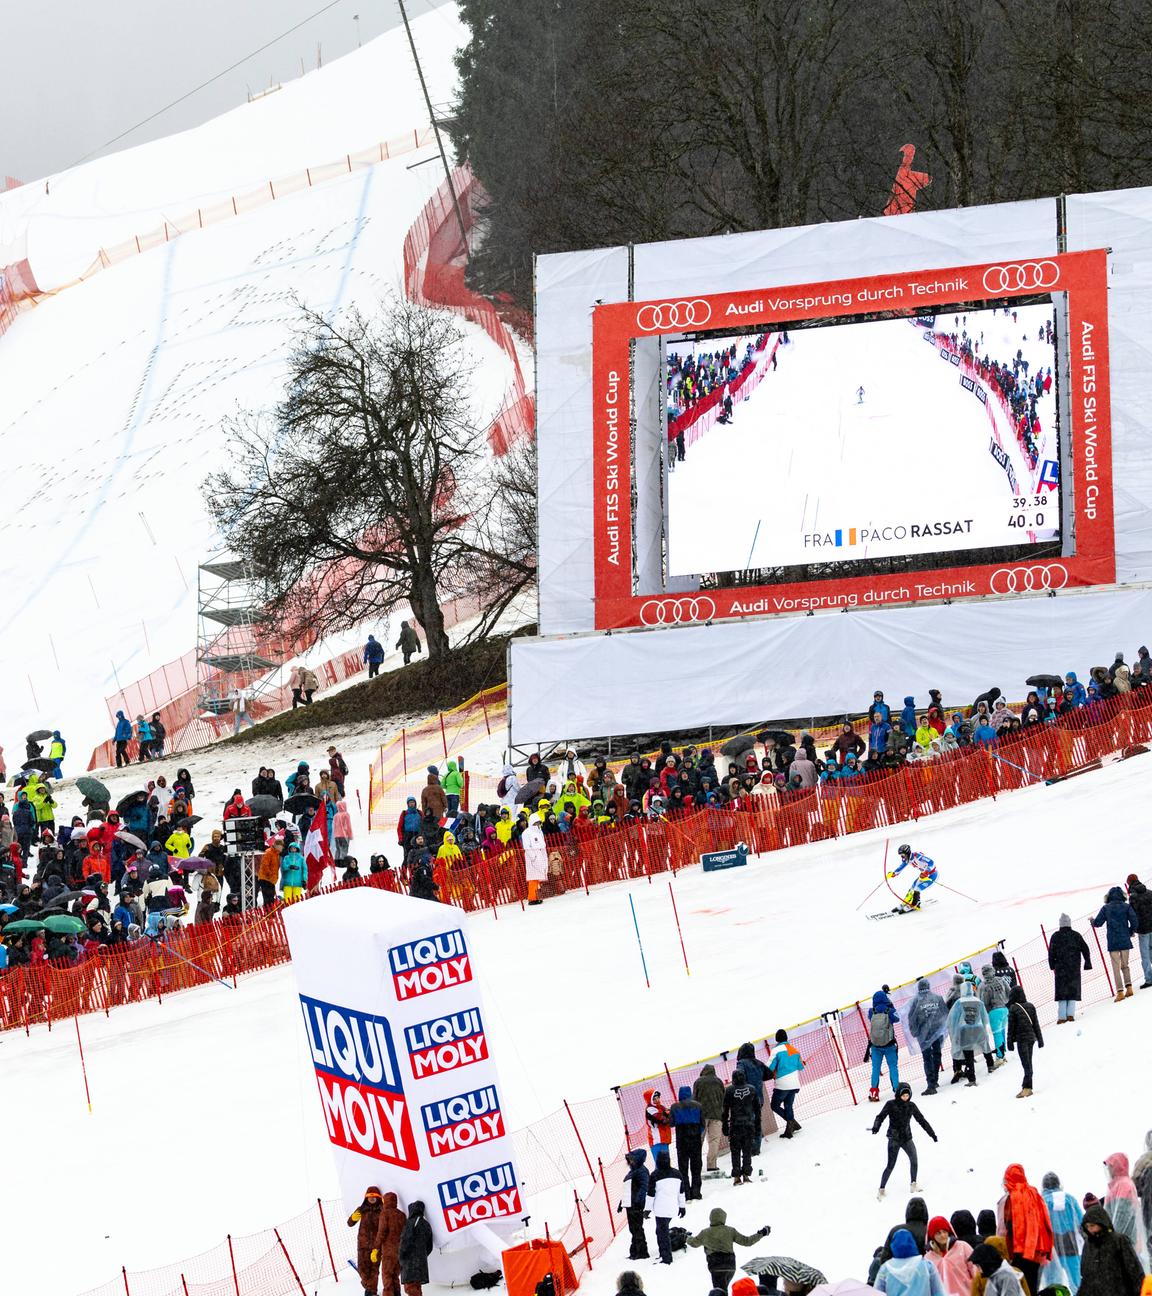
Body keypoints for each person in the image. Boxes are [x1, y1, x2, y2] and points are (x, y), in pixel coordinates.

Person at [871, 1081, 936, 1199]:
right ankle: (881, 1189)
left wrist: (932, 1134)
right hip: (894, 1138)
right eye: (903, 1095)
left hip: (907, 1138)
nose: (905, 1098)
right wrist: (876, 1126)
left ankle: (913, 1183)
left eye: (907, 1095)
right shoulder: (890, 1104)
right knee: (890, 1165)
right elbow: (880, 1116)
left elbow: (922, 1120)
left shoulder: (911, 1106)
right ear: (898, 1095)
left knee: (914, 1160)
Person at [998, 1163, 1054, 1295]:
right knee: (1031, 1287)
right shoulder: (1034, 1194)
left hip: (1017, 1252)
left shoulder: (1011, 1198)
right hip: (1035, 1251)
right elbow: (1043, 1220)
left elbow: (1005, 1227)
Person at [686, 1207, 769, 1294]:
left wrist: (687, 1237)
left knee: (719, 1291)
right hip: (730, 1266)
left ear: (711, 1218)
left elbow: (693, 1243)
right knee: (722, 1290)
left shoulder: (705, 1232)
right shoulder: (730, 1231)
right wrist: (762, 1233)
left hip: (716, 1266)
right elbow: (747, 1241)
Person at [1078, 1202, 1145, 1294]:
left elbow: (1134, 1271)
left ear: (1101, 1222)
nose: (1090, 1229)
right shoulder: (1088, 1244)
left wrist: (1140, 1292)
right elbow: (1086, 1275)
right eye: (1087, 1227)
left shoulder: (1119, 1240)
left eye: (1092, 1226)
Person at [1091, 885, 1139, 1000]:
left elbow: (1098, 923)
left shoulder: (1106, 908)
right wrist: (1130, 932)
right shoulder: (1126, 907)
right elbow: (1134, 921)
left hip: (1113, 941)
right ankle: (1129, 987)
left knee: (1116, 967)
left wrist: (1092, 921)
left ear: (1109, 897)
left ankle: (1120, 992)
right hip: (1125, 939)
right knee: (1125, 965)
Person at [946, 980, 996, 1085]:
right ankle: (990, 1065)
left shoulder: (959, 1002)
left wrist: (954, 1032)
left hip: (965, 1031)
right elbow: (985, 1018)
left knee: (968, 1054)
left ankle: (972, 1079)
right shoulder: (978, 1001)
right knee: (985, 1046)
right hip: (979, 1028)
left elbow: (952, 1020)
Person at [1041, 1171, 1084, 1290]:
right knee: (1076, 1282)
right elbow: (1082, 1222)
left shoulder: (1042, 1201)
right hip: (1071, 1246)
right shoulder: (1070, 1199)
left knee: (1052, 1284)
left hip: (1051, 1248)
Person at [907, 977, 949, 1095]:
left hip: (923, 1035)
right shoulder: (938, 998)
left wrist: (915, 1032)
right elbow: (944, 1014)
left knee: (927, 1058)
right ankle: (935, 1079)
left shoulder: (915, 1001)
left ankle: (931, 1084)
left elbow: (912, 1019)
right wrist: (942, 1029)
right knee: (937, 1054)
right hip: (937, 1032)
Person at [1103, 1151, 1147, 1261]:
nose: (1108, 1169)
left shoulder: (1124, 1184)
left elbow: (1123, 1217)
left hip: (1124, 1240)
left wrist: (1113, 1239)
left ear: (1118, 1166)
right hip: (1117, 1239)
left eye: (1111, 1166)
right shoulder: (1115, 1186)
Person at [1048, 913, 1092, 1021]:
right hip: (1074, 968)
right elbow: (1085, 949)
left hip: (1060, 969)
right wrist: (1087, 962)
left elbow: (1051, 952)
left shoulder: (1055, 936)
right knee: (1073, 990)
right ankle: (1070, 1015)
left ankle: (1062, 1017)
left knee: (1061, 992)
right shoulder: (1076, 935)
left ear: (1060, 924)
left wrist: (1052, 964)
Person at [873, 1228, 944, 1294]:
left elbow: (876, 1293)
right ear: (913, 1243)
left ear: (893, 1246)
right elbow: (939, 1292)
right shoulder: (927, 1266)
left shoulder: (885, 1268)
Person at [647, 1149, 686, 1264]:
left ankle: (666, 1258)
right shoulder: (677, 1174)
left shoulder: (655, 1175)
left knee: (661, 1233)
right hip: (673, 1208)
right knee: (662, 1231)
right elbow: (681, 1192)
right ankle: (665, 1253)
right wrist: (682, 1207)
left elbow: (650, 1194)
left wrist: (647, 1209)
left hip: (660, 1210)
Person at [722, 1067, 760, 1184]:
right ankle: (746, 1175)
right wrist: (758, 1125)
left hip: (736, 1125)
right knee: (747, 1150)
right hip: (749, 1124)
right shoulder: (752, 1089)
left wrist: (725, 1126)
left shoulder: (729, 1091)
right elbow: (757, 1109)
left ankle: (737, 1177)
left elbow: (725, 1110)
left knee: (735, 1151)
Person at [1005, 985, 1043, 1097]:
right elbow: (1036, 1024)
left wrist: (1009, 1042)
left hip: (1022, 1040)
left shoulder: (1013, 1008)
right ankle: (1026, 1086)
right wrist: (1040, 1039)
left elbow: (1011, 1028)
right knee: (1028, 1063)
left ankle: (1027, 1088)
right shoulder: (1031, 1006)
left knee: (1026, 1064)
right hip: (1031, 1039)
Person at [766, 1028, 804, 1137]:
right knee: (788, 1105)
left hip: (782, 1084)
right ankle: (790, 1128)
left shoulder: (776, 1051)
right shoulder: (794, 1050)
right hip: (794, 1083)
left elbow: (769, 1068)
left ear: (777, 1039)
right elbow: (800, 1067)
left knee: (774, 1105)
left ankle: (792, 1122)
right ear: (786, 1038)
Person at [669, 1085, 704, 1200]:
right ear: (690, 1094)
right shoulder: (698, 1106)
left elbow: (671, 1123)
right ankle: (696, 1192)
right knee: (696, 1167)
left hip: (682, 1142)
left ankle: (687, 1194)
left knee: (683, 1169)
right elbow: (702, 1125)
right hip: (695, 1142)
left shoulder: (674, 1107)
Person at [924, 1216, 975, 1296]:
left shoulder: (963, 1247)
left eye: (944, 1231)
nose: (942, 1235)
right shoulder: (928, 1258)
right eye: (938, 1233)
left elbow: (976, 1271)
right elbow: (926, 1284)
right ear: (932, 1236)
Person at [867, 987, 901, 1100]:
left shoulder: (871, 1012)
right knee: (893, 1067)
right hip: (889, 1044)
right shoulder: (889, 1010)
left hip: (875, 1046)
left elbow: (870, 1018)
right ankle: (897, 1090)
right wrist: (891, 1006)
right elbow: (897, 1018)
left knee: (875, 1068)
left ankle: (874, 1092)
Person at [693, 1063, 725, 1173]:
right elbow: (723, 1097)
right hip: (717, 1115)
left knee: (698, 1141)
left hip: (701, 1116)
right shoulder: (719, 1081)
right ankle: (712, 1165)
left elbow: (694, 1099)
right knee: (714, 1140)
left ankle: (696, 1165)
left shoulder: (698, 1082)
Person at [887, 844, 938, 912]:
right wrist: (893, 873)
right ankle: (904, 903)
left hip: (932, 875)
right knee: (912, 888)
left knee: (917, 889)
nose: (902, 856)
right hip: (923, 875)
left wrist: (927, 871)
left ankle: (915, 904)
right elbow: (901, 867)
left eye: (902, 854)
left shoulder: (918, 856)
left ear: (907, 853)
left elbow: (931, 863)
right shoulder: (907, 860)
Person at [620, 1149, 650, 1260]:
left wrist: (638, 1200)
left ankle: (642, 1252)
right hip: (630, 1204)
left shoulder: (642, 1171)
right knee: (633, 1228)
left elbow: (644, 1187)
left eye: (632, 1159)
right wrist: (621, 1202)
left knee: (637, 1228)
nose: (630, 1161)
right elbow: (627, 1189)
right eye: (630, 1159)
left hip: (636, 1205)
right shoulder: (632, 1171)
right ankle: (634, 1252)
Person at [398, 1201, 433, 1296]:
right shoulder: (426, 1224)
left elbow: (404, 1241)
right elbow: (429, 1246)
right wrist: (422, 1255)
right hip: (421, 1262)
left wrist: (401, 1256)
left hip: (409, 1262)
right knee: (416, 1287)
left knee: (411, 1288)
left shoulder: (409, 1223)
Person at [1124, 873, 1152, 988]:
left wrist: (1132, 929)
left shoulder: (1133, 897)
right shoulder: (1150, 892)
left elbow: (1133, 915)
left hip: (1143, 929)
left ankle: (1149, 979)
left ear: (1129, 883)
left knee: (1145, 954)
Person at [979, 961, 1010, 1059]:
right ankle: (1003, 1049)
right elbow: (1009, 991)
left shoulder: (983, 986)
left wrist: (986, 1011)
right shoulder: (1001, 980)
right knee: (1002, 1030)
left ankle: (1000, 1056)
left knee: (996, 1033)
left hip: (993, 1011)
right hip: (1004, 1009)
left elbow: (984, 1001)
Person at [257, 839, 282, 907]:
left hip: (271, 880)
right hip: (266, 878)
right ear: (276, 845)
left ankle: (270, 913)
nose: (281, 848)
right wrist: (270, 875)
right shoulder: (269, 852)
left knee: (270, 898)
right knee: (268, 899)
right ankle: (268, 913)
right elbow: (265, 865)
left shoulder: (276, 854)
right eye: (280, 846)